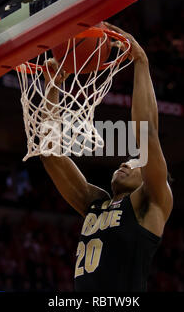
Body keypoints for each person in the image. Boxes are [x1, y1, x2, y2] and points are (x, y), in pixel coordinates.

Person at [40, 22, 173, 291]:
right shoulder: (95, 203)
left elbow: (146, 134)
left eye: (135, 162)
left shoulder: (151, 202)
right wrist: (52, 89)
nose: (125, 162)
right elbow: (50, 155)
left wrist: (141, 62)